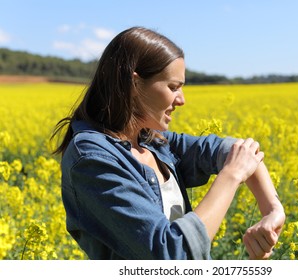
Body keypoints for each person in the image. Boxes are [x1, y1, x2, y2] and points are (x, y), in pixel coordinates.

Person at [51, 26, 285, 260]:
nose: (182, 100)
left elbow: (240, 152)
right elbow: (172, 255)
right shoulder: (92, 159)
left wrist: (273, 211)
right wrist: (231, 176)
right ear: (134, 84)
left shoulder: (150, 141)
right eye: (173, 87)